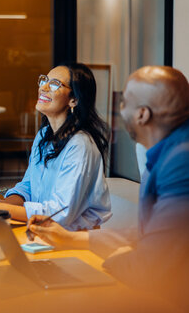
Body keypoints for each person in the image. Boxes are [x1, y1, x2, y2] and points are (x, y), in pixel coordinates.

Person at [27, 66, 189, 308]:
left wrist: (104, 268)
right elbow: (148, 234)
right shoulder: (163, 152)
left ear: (142, 115)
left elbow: (152, 264)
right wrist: (72, 240)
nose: (118, 109)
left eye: (124, 102)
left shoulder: (180, 163)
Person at [0, 63, 112, 230]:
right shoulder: (44, 135)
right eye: (44, 80)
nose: (44, 87)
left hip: (74, 239)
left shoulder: (80, 145)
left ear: (74, 100)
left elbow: (61, 213)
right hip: (41, 230)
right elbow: (28, 187)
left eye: (54, 84)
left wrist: (4, 209)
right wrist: (0, 204)